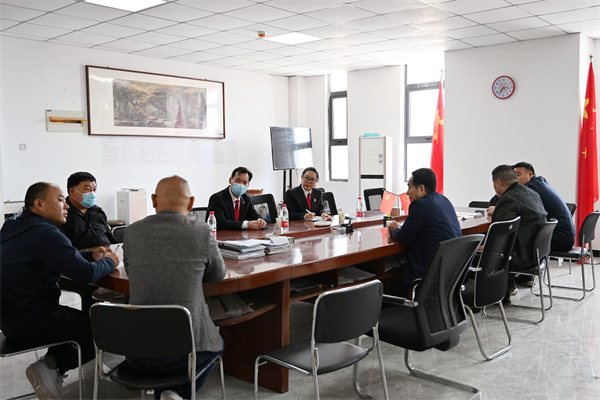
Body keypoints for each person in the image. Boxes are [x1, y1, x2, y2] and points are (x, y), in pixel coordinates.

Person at [1, 182, 118, 400]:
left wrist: (90, 255)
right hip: (36, 323)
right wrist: (110, 262)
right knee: (100, 331)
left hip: (11, 322)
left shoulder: (14, 226)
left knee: (79, 322)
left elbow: (57, 256)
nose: (66, 205)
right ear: (39, 204)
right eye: (60, 199)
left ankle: (49, 364)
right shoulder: (45, 233)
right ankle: (49, 368)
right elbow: (85, 274)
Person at [123, 175, 226, 400]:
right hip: (185, 354)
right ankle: (177, 392)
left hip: (134, 353)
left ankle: (167, 392)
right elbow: (218, 275)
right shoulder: (202, 231)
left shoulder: (131, 232)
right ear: (191, 203)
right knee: (217, 344)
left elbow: (132, 274)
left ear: (153, 200)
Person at [386, 168, 462, 297]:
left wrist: (395, 229)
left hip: (430, 275)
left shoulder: (420, 205)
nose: (407, 192)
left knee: (390, 286)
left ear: (421, 189)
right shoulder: (443, 200)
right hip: (453, 272)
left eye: (409, 187)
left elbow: (404, 236)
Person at [489, 165, 547, 301]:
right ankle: (507, 287)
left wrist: (484, 246)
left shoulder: (508, 199)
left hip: (521, 257)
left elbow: (500, 235)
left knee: (480, 254)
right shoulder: (531, 192)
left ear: (498, 183)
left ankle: (497, 294)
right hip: (537, 254)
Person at [513, 162, 575, 251]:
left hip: (559, 239)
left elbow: (519, 208)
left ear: (530, 174)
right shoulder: (540, 183)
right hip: (566, 237)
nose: (515, 179)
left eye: (518, 175)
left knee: (515, 238)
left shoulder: (532, 189)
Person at [59, 171, 117, 250]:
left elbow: (111, 239)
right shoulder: (61, 214)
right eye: (87, 189)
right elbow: (62, 249)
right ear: (72, 191)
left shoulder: (98, 212)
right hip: (82, 256)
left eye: (94, 189)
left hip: (107, 254)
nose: (92, 193)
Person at [207, 166, 267, 230]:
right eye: (237, 180)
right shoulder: (217, 198)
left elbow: (254, 215)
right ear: (230, 180)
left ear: (248, 185)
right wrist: (247, 224)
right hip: (221, 235)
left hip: (241, 235)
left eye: (245, 182)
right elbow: (219, 223)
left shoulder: (246, 198)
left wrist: (261, 222)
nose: (241, 185)